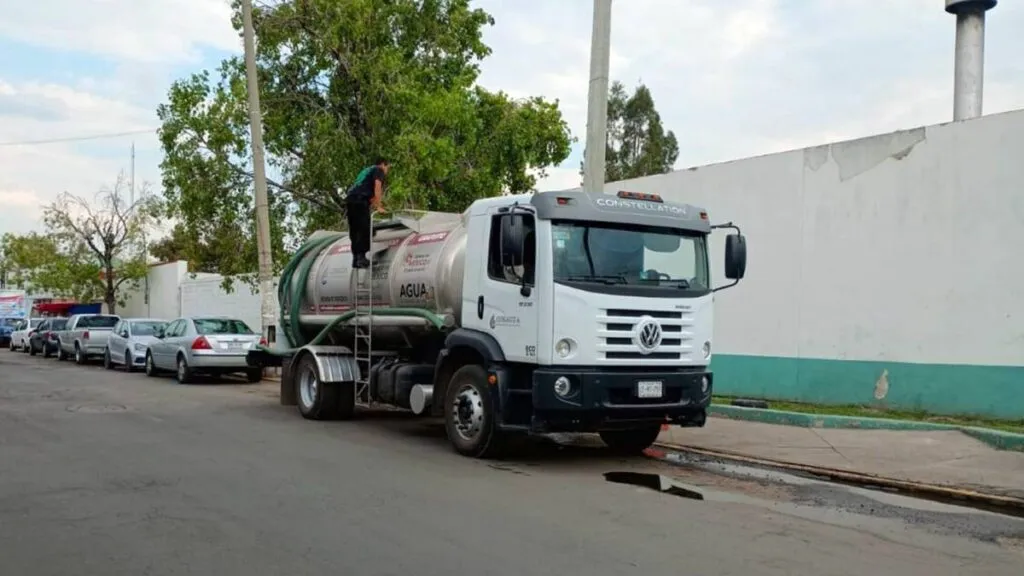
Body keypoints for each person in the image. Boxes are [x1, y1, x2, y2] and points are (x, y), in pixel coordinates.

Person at [344, 157, 390, 268]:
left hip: (351, 200)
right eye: (387, 168)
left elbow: (368, 193)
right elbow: (377, 186)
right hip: (360, 200)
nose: (387, 171)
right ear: (384, 165)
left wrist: (373, 203)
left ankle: (356, 259)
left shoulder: (366, 171)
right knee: (365, 228)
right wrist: (379, 207)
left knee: (355, 229)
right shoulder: (379, 170)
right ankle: (361, 258)